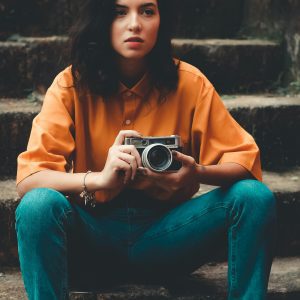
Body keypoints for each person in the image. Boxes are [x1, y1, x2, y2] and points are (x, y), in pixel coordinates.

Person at [15, 0, 277, 299]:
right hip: (92, 237)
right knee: (37, 205)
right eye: (120, 12)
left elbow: (245, 161)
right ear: (102, 21)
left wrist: (196, 174)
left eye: (147, 11)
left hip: (170, 235)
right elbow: (29, 179)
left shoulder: (189, 83)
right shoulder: (70, 85)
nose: (135, 24)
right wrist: (99, 179)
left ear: (161, 21)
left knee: (254, 196)